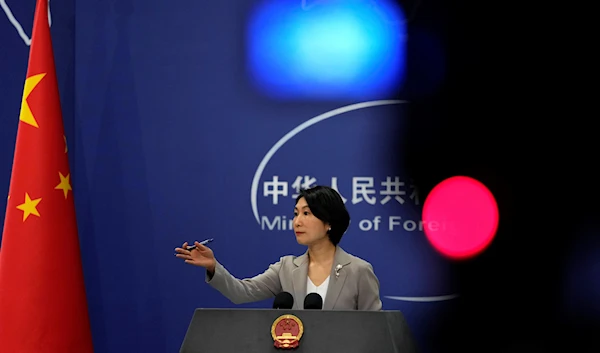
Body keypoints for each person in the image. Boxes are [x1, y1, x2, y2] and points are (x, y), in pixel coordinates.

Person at [175, 185, 382, 311]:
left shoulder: (358, 270)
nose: (297, 222)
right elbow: (242, 292)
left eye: (307, 213)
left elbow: (375, 330)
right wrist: (213, 266)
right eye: (295, 213)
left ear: (329, 222)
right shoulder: (286, 268)